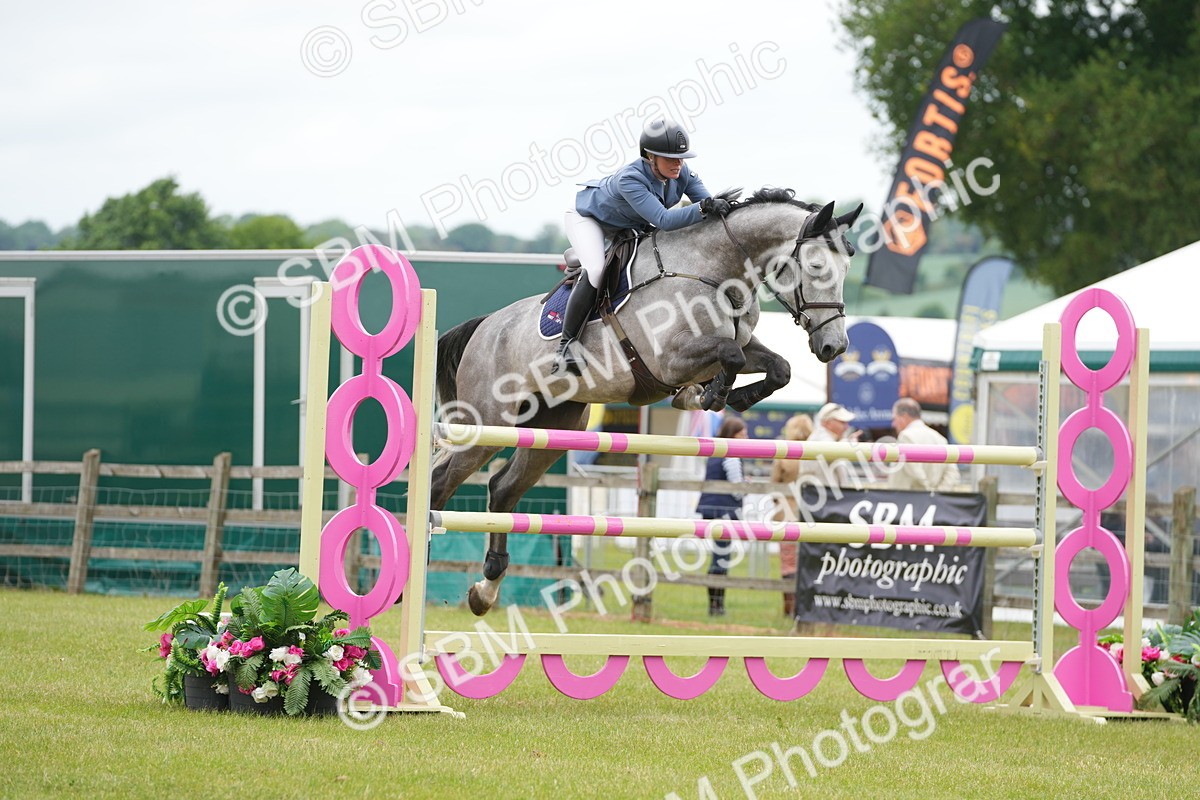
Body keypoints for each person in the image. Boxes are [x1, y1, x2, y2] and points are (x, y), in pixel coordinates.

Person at [553, 117, 732, 375]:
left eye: (680, 158)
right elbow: (664, 220)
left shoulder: (684, 174)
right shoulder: (630, 179)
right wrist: (704, 207)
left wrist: (721, 208)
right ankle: (566, 346)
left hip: (629, 223)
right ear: (650, 156)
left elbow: (707, 206)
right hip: (589, 219)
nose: (678, 164)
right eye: (670, 158)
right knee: (596, 269)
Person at [695, 415, 747, 617]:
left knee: (719, 557)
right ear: (733, 435)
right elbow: (737, 489)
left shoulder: (715, 451)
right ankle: (716, 606)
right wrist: (747, 486)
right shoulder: (732, 454)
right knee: (721, 559)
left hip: (711, 509)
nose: (746, 438)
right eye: (743, 434)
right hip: (723, 510)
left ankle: (715, 605)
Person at [770, 414, 813, 618]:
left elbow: (774, 484)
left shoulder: (784, 453)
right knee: (809, 560)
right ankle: (807, 606)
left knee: (788, 562)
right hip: (812, 513)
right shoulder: (816, 451)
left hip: (786, 512)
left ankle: (789, 608)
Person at [888, 397, 961, 491]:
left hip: (908, 500)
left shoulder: (906, 436)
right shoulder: (940, 438)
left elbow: (914, 473)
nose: (893, 424)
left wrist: (927, 493)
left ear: (904, 416)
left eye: (894, 418)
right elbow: (953, 473)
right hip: (934, 502)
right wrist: (937, 495)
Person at [798, 402, 859, 486]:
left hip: (820, 493)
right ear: (827, 422)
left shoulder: (822, 437)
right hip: (820, 493)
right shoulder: (821, 438)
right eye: (842, 422)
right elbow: (834, 451)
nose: (846, 427)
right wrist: (850, 443)